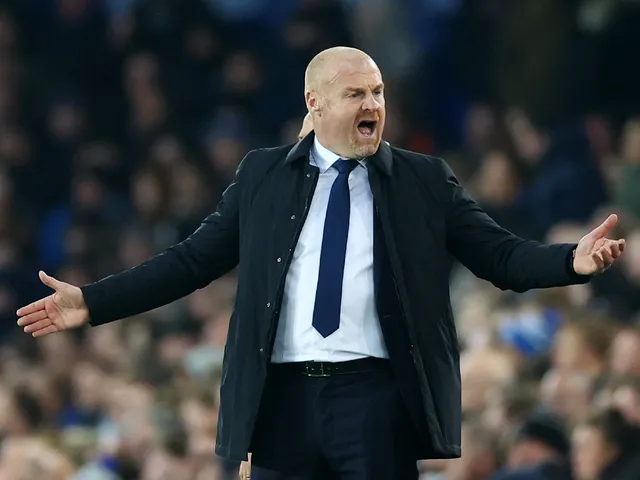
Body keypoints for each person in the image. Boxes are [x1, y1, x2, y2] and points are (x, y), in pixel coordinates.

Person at [17, 47, 625, 480]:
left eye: (378, 92)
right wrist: (94, 302)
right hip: (281, 400)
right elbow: (190, 262)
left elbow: (501, 256)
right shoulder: (262, 175)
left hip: (376, 398)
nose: (373, 104)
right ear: (316, 102)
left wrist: (570, 261)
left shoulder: (423, 179)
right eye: (356, 94)